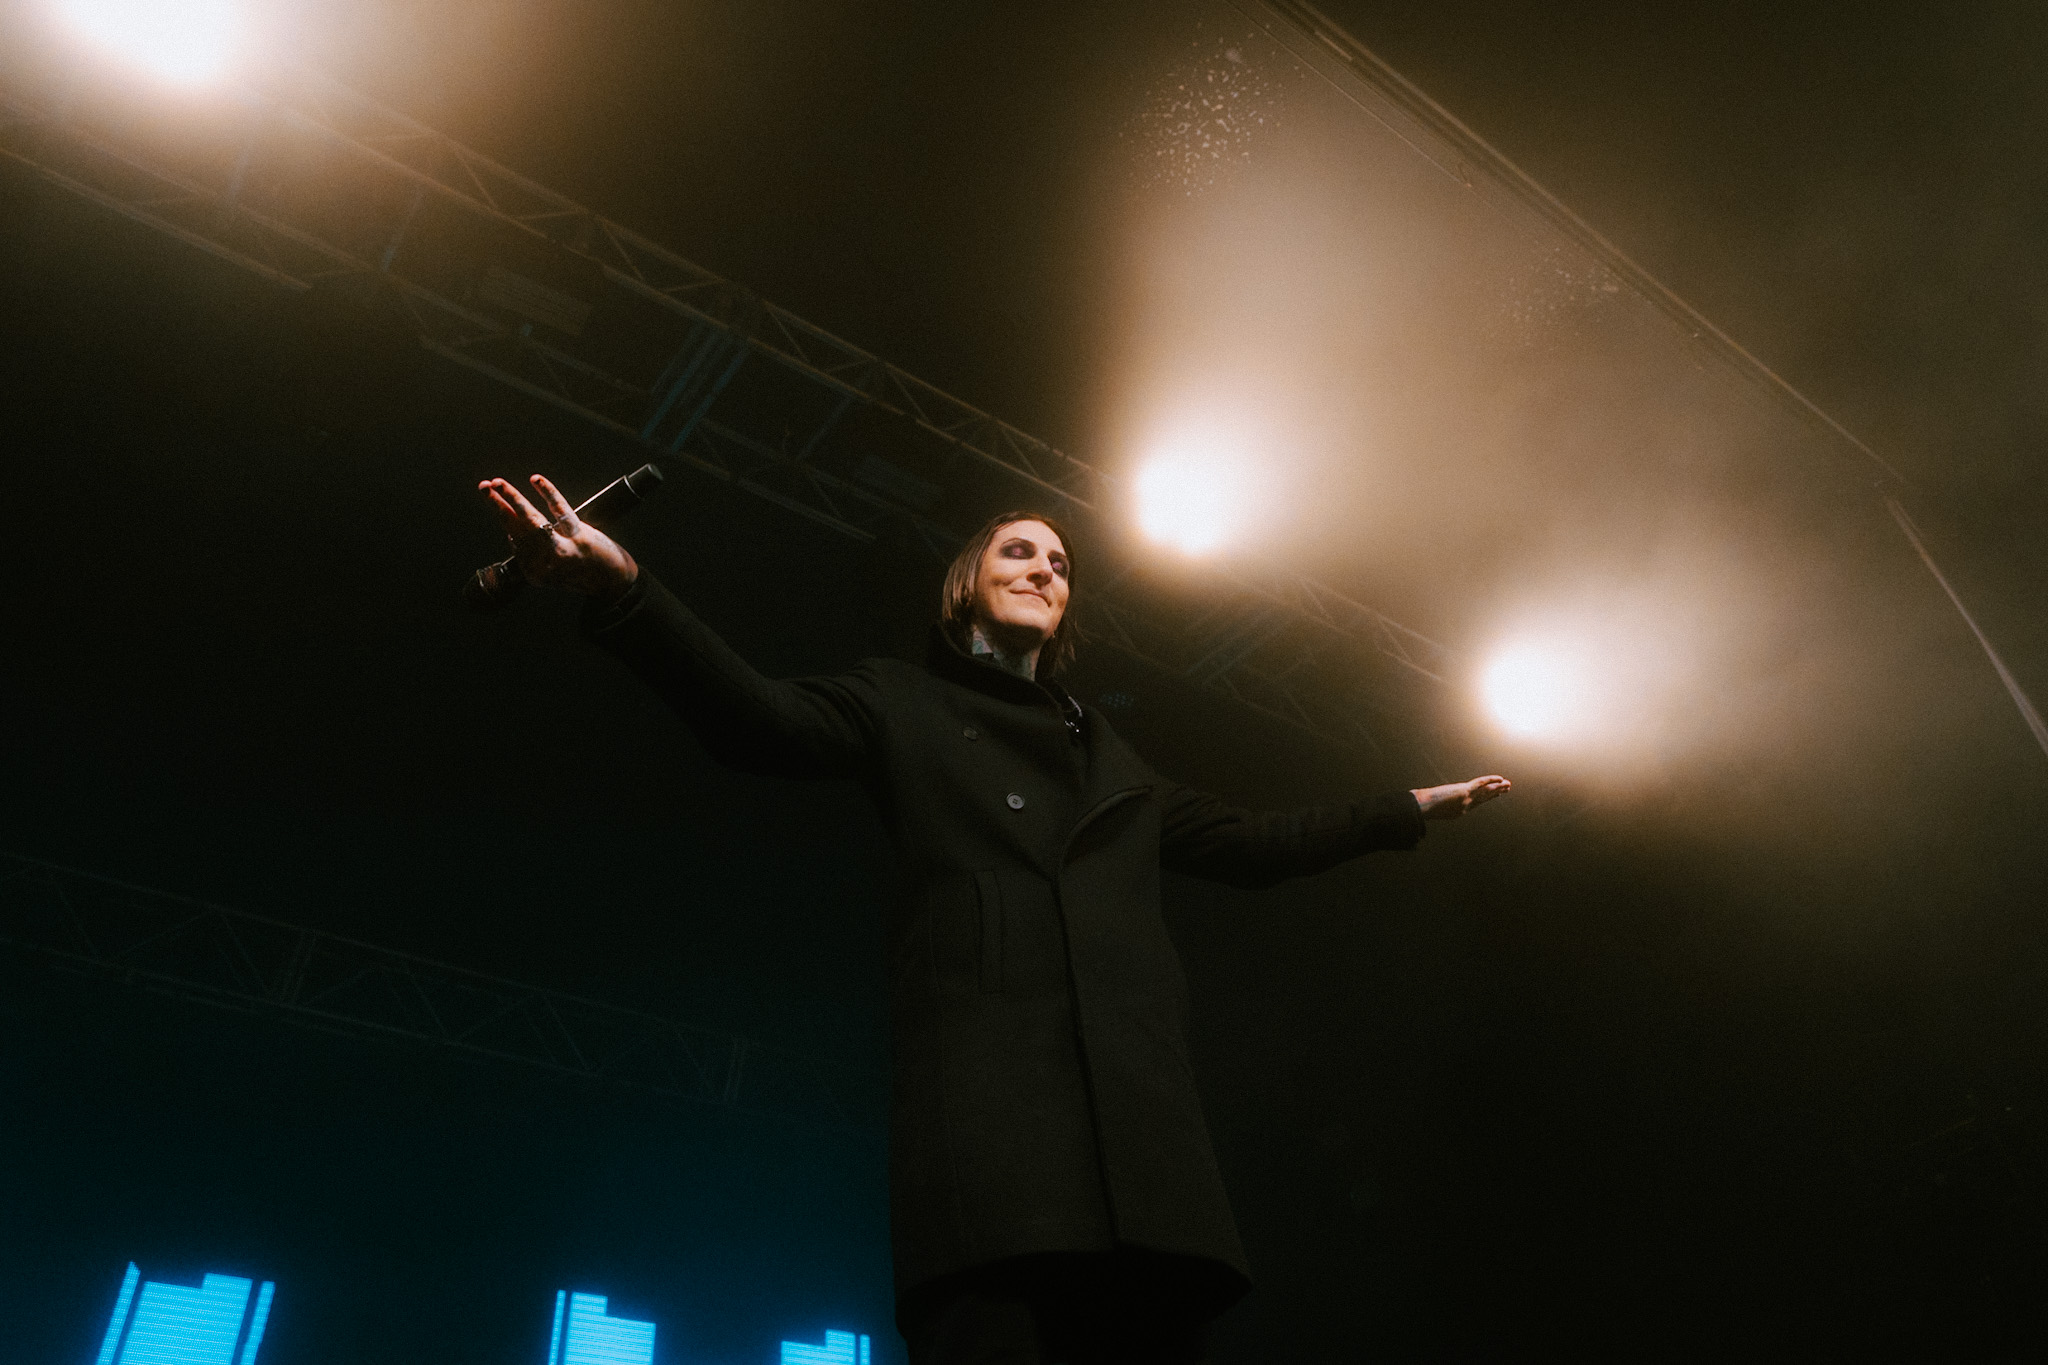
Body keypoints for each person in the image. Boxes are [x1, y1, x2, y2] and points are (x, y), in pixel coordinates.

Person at [479, 474, 1511, 1364]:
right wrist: (624, 586)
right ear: (966, 582)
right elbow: (756, 717)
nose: (1044, 570)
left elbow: (1250, 843)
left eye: (1060, 564)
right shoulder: (900, 700)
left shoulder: (1112, 760)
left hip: (1142, 1178)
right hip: (995, 1154)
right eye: (1019, 552)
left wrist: (1399, 810)